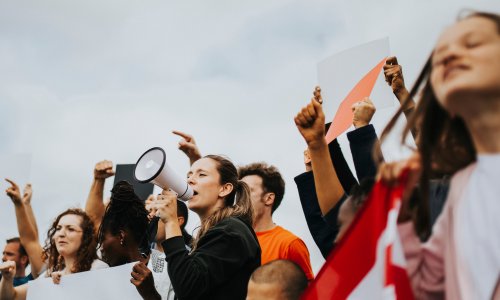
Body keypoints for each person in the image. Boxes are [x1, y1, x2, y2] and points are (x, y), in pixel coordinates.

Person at [379, 11, 500, 299]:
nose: (450, 55)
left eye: (472, 44)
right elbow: (427, 287)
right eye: (440, 54)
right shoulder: (462, 188)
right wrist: (405, 215)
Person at [153, 155, 261, 300]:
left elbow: (187, 288)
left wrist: (172, 222)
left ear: (225, 189)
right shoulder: (223, 230)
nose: (189, 180)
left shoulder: (229, 232)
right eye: (189, 175)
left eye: (201, 174)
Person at [0, 208, 108, 300]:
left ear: (85, 237)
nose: (61, 234)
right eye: (58, 228)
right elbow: (11, 297)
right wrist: (7, 278)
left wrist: (68, 283)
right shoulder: (50, 274)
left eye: (71, 229)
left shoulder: (99, 268)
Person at [238, 162, 314, 280]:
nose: (239, 197)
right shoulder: (232, 239)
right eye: (239, 191)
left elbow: (309, 294)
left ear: (268, 198)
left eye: (248, 190)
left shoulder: (289, 244)